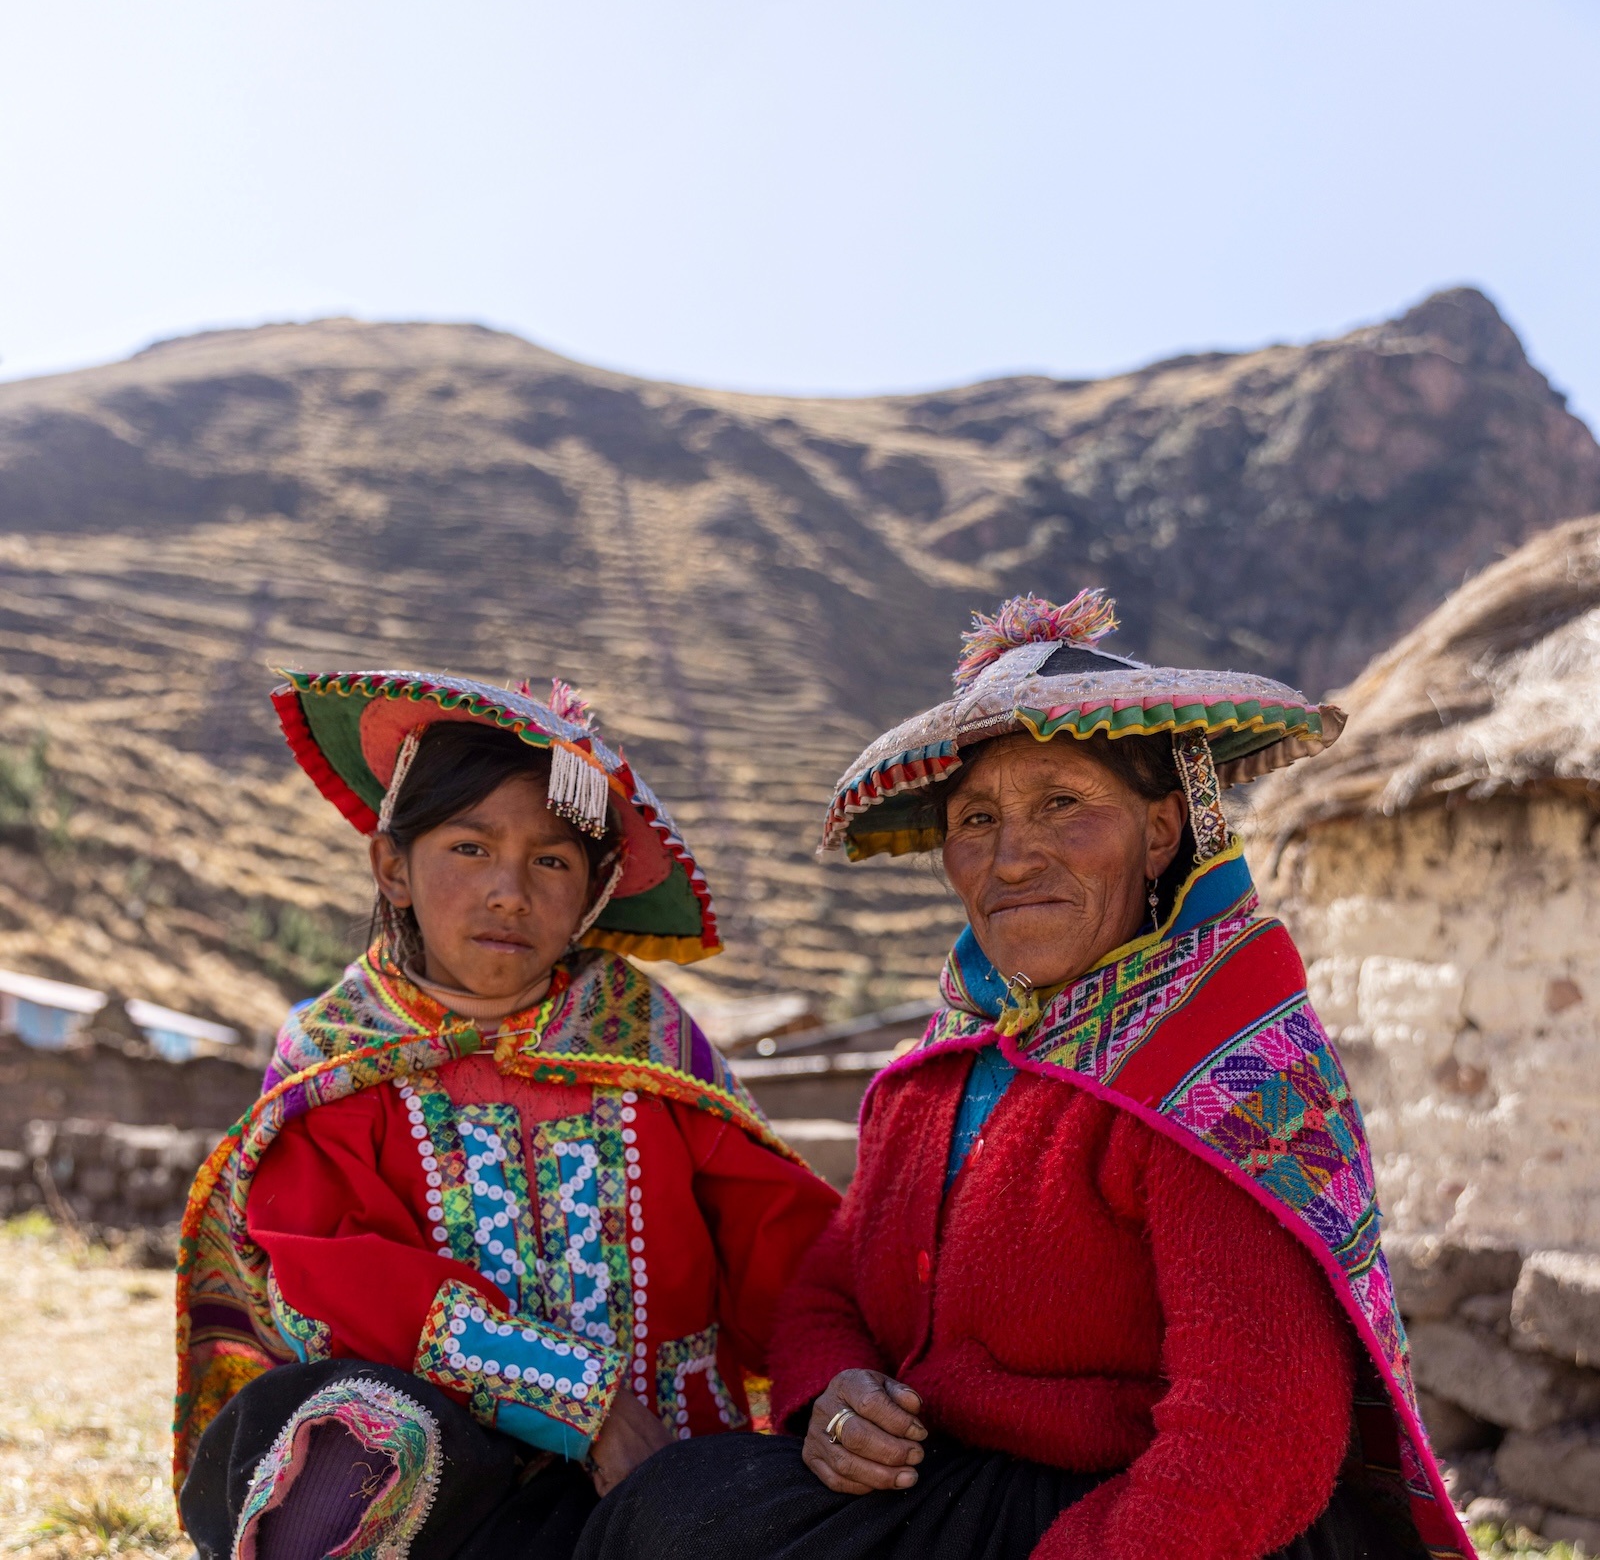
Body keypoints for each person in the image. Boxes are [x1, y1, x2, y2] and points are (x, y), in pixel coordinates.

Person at [576, 593, 1475, 1560]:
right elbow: (829, 1289)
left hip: (1149, 1522)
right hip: (956, 1488)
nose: (1011, 857)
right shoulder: (948, 1066)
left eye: (1063, 804)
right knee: (671, 1512)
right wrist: (835, 1393)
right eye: (976, 819)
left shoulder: (1221, 1080)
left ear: (1164, 831)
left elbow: (1254, 1443)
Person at [174, 669, 839, 1560]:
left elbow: (783, 1245)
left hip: (664, 1477)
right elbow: (335, 1281)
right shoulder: (339, 1059)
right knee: (352, 1442)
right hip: (443, 1491)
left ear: (594, 892)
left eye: (552, 861)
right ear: (392, 867)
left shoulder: (648, 1048)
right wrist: (584, 1399)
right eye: (470, 848)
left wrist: (838, 1375)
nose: (509, 892)